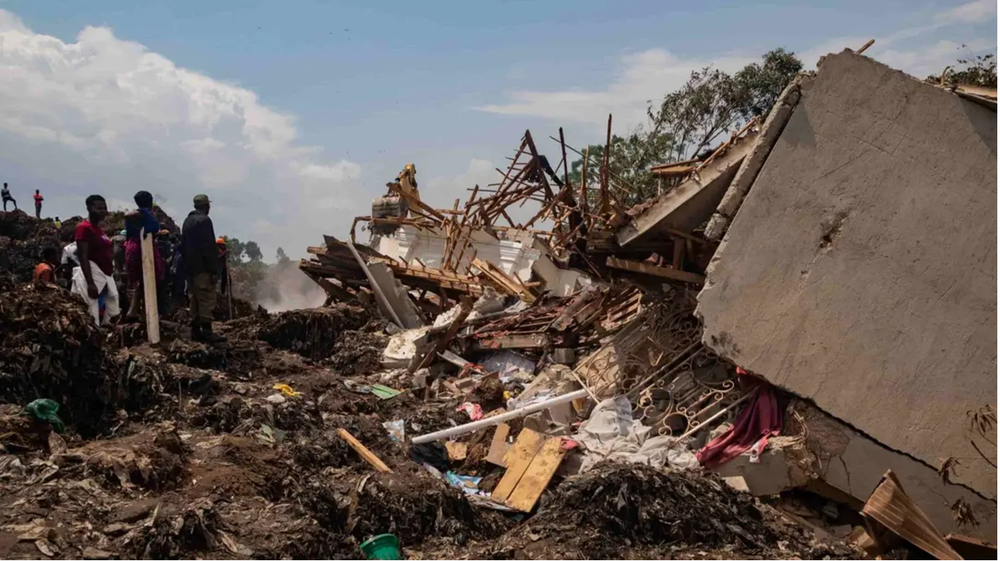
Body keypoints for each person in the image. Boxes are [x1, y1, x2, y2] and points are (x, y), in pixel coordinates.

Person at [181, 194, 225, 342]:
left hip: (191, 270)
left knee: (194, 299)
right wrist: (213, 270)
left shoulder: (187, 221)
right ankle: (207, 333)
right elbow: (209, 248)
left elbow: (184, 246)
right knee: (206, 298)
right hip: (203, 269)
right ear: (207, 206)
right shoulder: (205, 221)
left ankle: (195, 332)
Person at [72, 195, 120, 325]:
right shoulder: (84, 228)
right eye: (98, 208)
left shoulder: (99, 229)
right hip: (92, 273)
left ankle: (108, 333)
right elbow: (83, 256)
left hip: (105, 274)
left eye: (104, 208)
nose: (102, 211)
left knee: (113, 304)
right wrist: (90, 283)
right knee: (90, 308)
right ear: (88, 208)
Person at [122, 191, 165, 322]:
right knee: (150, 278)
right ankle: (145, 312)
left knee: (143, 281)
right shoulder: (142, 213)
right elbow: (129, 215)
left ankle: (135, 311)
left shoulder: (143, 215)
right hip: (141, 249)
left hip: (137, 247)